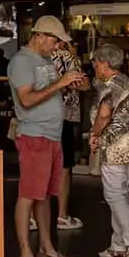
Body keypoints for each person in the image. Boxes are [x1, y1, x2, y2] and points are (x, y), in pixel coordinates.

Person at [8, 15, 87, 257]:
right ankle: (26, 256)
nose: (57, 46)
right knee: (28, 195)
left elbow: (48, 91)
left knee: (44, 195)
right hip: (34, 135)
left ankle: (47, 249)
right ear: (39, 36)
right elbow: (27, 100)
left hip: (52, 135)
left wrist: (66, 85)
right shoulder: (22, 61)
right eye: (55, 41)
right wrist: (60, 83)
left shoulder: (44, 60)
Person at [89, 43, 129, 257]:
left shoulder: (109, 87)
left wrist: (94, 134)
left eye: (96, 62)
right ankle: (119, 245)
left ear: (105, 64)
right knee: (121, 195)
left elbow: (104, 115)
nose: (94, 66)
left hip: (115, 148)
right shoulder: (127, 81)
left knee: (114, 196)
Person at [51, 38, 85, 231]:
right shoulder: (67, 57)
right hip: (64, 115)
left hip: (38, 118)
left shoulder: (32, 58)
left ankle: (32, 217)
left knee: (40, 167)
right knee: (64, 167)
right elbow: (83, 84)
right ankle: (62, 216)